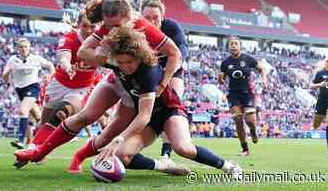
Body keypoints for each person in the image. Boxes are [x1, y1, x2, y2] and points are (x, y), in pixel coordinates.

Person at [15, 26, 242, 178]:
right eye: (120, 62)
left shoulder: (149, 71)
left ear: (139, 56)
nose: (125, 67)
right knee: (122, 155)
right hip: (147, 118)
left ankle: (228, 166)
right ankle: (162, 165)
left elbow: (143, 115)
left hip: (168, 111)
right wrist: (99, 31)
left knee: (183, 148)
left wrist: (119, 137)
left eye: (129, 62)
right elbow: (84, 53)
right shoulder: (118, 61)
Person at [14, 0, 186, 175]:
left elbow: (175, 54)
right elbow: (83, 52)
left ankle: (78, 157)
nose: (110, 30)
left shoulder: (145, 28)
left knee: (110, 132)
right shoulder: (108, 27)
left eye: (116, 25)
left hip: (136, 87)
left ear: (129, 17)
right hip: (117, 78)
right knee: (85, 116)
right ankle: (38, 152)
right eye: (107, 25)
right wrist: (111, 60)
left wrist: (162, 83)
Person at [12, 10, 98, 169]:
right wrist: (67, 67)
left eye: (93, 26)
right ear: (78, 25)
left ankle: (34, 150)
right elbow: (63, 57)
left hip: (81, 88)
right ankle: (32, 152)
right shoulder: (69, 39)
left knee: (61, 112)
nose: (89, 30)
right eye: (85, 26)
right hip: (58, 84)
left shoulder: (101, 40)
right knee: (43, 123)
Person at [141, 0, 188, 159]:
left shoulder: (171, 26)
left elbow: (182, 48)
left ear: (162, 17)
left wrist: (170, 72)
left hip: (170, 68)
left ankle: (166, 153)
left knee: (172, 105)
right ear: (141, 16)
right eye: (147, 17)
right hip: (147, 72)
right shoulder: (134, 29)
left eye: (156, 17)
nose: (152, 22)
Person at [2, 38, 55, 150]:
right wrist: (8, 72)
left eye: (26, 46)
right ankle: (48, 139)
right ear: (17, 48)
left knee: (23, 110)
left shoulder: (35, 58)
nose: (24, 49)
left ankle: (20, 141)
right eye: (21, 47)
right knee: (39, 118)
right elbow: (5, 78)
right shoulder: (12, 60)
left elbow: (50, 65)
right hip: (20, 91)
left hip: (32, 87)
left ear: (29, 47)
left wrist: (52, 77)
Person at [218, 36, 267, 156]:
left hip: (247, 94)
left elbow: (262, 68)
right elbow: (222, 79)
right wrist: (221, 80)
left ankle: (253, 130)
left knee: (249, 121)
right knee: (238, 120)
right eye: (231, 44)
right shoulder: (225, 63)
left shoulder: (248, 59)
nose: (233, 46)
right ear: (228, 47)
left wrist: (264, 80)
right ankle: (245, 149)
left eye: (236, 44)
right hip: (233, 94)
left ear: (240, 46)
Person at [310, 57, 328, 154]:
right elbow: (311, 86)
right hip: (321, 102)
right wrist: (319, 85)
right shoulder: (320, 73)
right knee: (315, 125)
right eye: (327, 61)